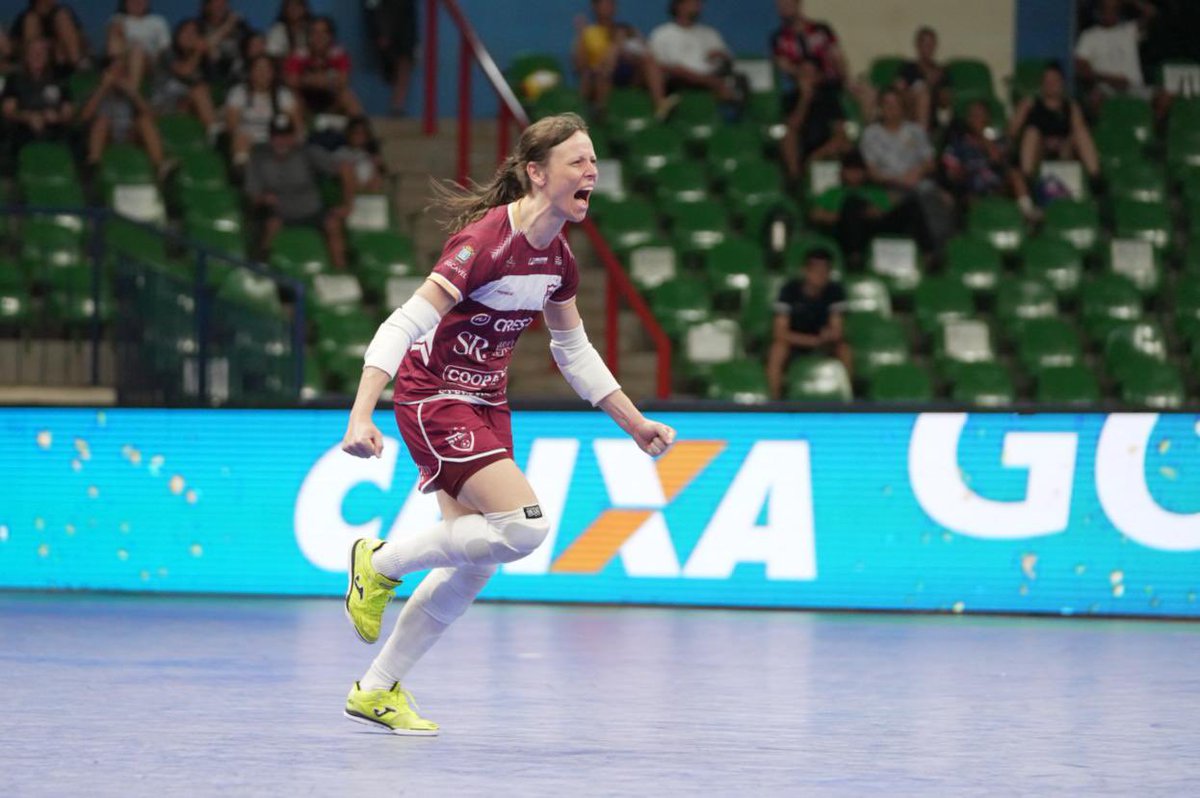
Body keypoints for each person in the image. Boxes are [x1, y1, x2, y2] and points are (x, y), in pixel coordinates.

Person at [339, 112, 676, 735]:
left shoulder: (560, 261)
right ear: (536, 172)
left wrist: (633, 422)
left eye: (594, 160)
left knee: (476, 563)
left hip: (487, 403)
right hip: (434, 395)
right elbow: (402, 324)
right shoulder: (484, 243)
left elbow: (573, 351)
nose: (591, 172)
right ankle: (379, 562)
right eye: (577, 161)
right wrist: (362, 413)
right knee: (525, 528)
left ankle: (376, 689)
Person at [245, 113, 353, 270]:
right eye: (276, 136)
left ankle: (342, 272)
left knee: (333, 224)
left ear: (293, 136)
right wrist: (263, 198)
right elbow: (252, 194)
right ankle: (261, 268)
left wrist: (348, 204)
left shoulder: (307, 152)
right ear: (270, 136)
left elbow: (345, 168)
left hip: (311, 210)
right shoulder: (258, 157)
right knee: (270, 225)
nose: (281, 141)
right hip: (279, 212)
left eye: (286, 136)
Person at [860, 88, 954, 254]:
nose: (891, 108)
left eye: (895, 104)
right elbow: (872, 173)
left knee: (934, 194)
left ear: (903, 107)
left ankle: (940, 249)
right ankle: (932, 250)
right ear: (880, 108)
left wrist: (917, 172)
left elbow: (930, 163)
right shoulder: (870, 134)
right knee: (925, 194)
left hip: (918, 181)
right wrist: (899, 179)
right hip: (888, 185)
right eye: (887, 104)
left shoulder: (915, 131)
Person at [809, 150, 923, 267]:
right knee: (852, 203)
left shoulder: (875, 192)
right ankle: (854, 256)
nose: (854, 175)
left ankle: (928, 255)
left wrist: (875, 212)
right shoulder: (832, 192)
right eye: (850, 171)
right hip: (843, 231)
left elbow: (886, 213)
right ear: (843, 172)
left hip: (874, 229)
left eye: (858, 171)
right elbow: (815, 214)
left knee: (912, 205)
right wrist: (845, 215)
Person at [765, 247, 849, 400]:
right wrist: (811, 341)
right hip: (795, 342)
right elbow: (780, 332)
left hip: (823, 343)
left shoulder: (835, 291)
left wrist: (829, 335)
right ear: (805, 271)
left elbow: (837, 330)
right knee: (777, 349)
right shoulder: (789, 291)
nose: (820, 275)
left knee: (844, 349)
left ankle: (848, 400)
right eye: (816, 270)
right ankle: (774, 400)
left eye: (825, 271)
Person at [573, 0, 673, 118]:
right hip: (599, 75)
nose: (609, 7)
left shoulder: (626, 29)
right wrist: (581, 35)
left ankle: (660, 104)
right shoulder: (588, 32)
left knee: (649, 61)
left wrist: (633, 42)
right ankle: (600, 108)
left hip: (628, 72)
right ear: (595, 7)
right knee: (611, 55)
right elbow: (580, 66)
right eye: (604, 4)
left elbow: (644, 50)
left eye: (611, 4)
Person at [942, 99, 1039, 220]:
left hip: (999, 186)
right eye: (973, 115)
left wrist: (982, 138)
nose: (976, 119)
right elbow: (951, 173)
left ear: (987, 119)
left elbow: (997, 158)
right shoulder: (958, 145)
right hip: (972, 188)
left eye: (980, 115)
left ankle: (1027, 213)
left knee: (1015, 175)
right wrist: (962, 173)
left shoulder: (998, 141)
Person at [80, 51, 169, 176]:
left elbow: (151, 117)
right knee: (102, 121)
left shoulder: (130, 95)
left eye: (122, 72)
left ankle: (160, 166)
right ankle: (94, 164)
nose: (118, 76)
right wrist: (103, 88)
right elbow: (84, 117)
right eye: (115, 71)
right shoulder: (96, 93)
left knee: (144, 121)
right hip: (106, 138)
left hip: (129, 136)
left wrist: (133, 93)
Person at [1008, 63, 1100, 182]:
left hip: (1064, 151)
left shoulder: (1071, 107)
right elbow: (1011, 132)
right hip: (1038, 150)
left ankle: (1096, 178)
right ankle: (1027, 180)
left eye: (1054, 80)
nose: (1050, 84)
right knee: (1032, 132)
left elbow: (1077, 130)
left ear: (1062, 83)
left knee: (1081, 133)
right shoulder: (1030, 104)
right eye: (1047, 80)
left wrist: (1064, 143)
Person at [1074, 0, 1156, 118]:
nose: (1109, 13)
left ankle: (1148, 131)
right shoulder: (1089, 35)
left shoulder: (1129, 30)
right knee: (1095, 98)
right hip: (1106, 89)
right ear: (1099, 11)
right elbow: (1081, 69)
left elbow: (1151, 12)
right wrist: (1110, 80)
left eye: (1114, 9)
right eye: (1106, 9)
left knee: (1164, 97)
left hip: (1134, 87)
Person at [648, 0, 739, 102]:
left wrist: (720, 55)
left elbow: (728, 58)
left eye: (699, 4)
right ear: (679, 6)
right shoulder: (662, 33)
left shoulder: (709, 33)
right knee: (677, 71)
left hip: (710, 74)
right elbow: (661, 65)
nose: (698, 7)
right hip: (679, 79)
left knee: (738, 79)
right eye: (693, 3)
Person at [779, 57, 850, 185]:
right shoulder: (790, 98)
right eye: (803, 74)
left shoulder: (829, 99)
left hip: (825, 146)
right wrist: (804, 99)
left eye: (810, 74)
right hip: (801, 146)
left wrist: (817, 155)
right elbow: (793, 126)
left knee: (844, 143)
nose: (806, 78)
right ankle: (796, 181)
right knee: (788, 137)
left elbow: (839, 131)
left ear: (818, 77)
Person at [224, 53, 302, 168]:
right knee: (239, 139)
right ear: (251, 72)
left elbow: (298, 126)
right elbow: (232, 125)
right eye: (258, 68)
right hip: (248, 140)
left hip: (275, 142)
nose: (262, 73)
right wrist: (243, 136)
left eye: (267, 69)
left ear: (273, 73)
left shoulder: (283, 94)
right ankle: (242, 173)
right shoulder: (239, 92)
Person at [1, 37, 73, 154]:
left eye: (42, 51)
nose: (37, 55)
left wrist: (58, 117)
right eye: (33, 51)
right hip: (22, 130)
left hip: (53, 129)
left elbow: (68, 112)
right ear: (26, 56)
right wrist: (28, 117)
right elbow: (8, 111)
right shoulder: (13, 80)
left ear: (48, 56)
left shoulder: (59, 80)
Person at [284, 15, 363, 119]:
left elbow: (344, 80)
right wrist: (315, 81)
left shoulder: (339, 54)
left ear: (331, 36)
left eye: (323, 33)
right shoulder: (299, 54)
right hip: (306, 101)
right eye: (314, 33)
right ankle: (300, 134)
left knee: (347, 96)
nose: (319, 37)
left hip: (331, 101)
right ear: (309, 36)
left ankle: (358, 130)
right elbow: (291, 81)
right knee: (291, 98)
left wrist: (320, 81)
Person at [149, 18, 217, 132]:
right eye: (185, 32)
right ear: (177, 34)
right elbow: (184, 71)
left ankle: (214, 131)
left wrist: (208, 55)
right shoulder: (167, 52)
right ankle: (214, 132)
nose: (189, 36)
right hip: (162, 104)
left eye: (194, 33)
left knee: (202, 91)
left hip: (185, 104)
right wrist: (198, 53)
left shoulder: (201, 61)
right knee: (198, 90)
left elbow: (207, 87)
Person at [363, 0, 417, 116]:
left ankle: (397, 105)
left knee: (405, 61)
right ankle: (396, 104)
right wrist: (381, 32)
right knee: (390, 67)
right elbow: (372, 7)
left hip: (404, 21)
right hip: (383, 21)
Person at [895, 26, 952, 132]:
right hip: (907, 115)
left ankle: (921, 139)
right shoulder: (907, 69)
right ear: (917, 46)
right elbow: (897, 95)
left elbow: (945, 104)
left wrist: (934, 87)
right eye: (924, 44)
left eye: (931, 45)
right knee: (920, 92)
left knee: (924, 95)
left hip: (931, 120)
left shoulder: (941, 72)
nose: (928, 48)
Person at [106, 0, 171, 90]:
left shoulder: (157, 21)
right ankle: (124, 81)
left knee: (137, 49)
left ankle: (132, 89)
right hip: (123, 59)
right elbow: (113, 48)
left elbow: (164, 48)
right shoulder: (118, 20)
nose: (137, 3)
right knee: (118, 35)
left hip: (150, 62)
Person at [11, 0, 87, 75]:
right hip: (37, 63)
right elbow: (13, 45)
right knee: (30, 20)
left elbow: (81, 37)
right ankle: (35, 74)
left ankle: (79, 69)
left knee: (62, 16)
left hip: (64, 59)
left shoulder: (62, 12)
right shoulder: (26, 17)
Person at [197, 0, 252, 85]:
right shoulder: (199, 27)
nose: (221, 6)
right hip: (212, 77)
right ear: (207, 6)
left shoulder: (240, 25)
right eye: (216, 3)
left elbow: (252, 42)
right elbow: (205, 45)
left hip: (239, 75)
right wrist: (228, 25)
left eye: (224, 3)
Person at [336, 116, 388, 192]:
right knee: (346, 168)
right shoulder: (340, 152)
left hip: (369, 186)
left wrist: (377, 165)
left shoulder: (369, 155)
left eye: (363, 134)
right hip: (350, 186)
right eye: (356, 133)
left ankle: (370, 196)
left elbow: (383, 171)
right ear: (349, 134)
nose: (359, 137)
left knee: (376, 171)